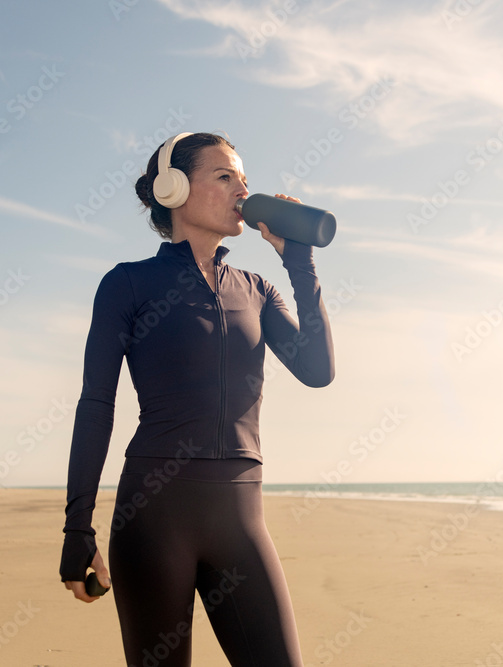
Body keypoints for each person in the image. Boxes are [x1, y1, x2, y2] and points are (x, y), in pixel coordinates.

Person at [59, 131, 334, 666]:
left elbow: (318, 371)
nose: (242, 191)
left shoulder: (256, 289)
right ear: (174, 189)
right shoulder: (128, 284)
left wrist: (299, 262)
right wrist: (77, 527)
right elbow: (95, 407)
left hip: (241, 517)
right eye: (224, 176)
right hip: (154, 517)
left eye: (245, 180)